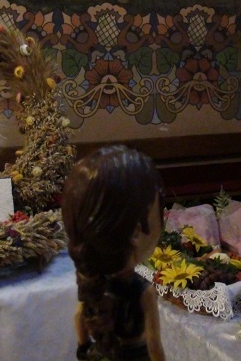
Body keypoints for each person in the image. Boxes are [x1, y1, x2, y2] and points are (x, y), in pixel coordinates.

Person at [61, 145, 166, 361]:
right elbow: (154, 344)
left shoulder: (90, 280)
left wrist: (84, 349)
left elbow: (79, 317)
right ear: (136, 231)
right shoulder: (143, 291)